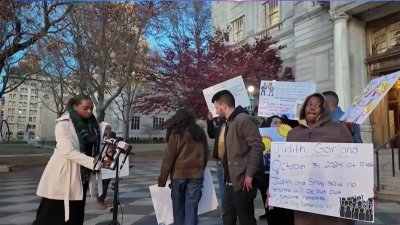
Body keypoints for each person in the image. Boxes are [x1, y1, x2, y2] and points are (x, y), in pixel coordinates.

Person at [32, 95, 108, 225]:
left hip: (81, 175)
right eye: (85, 108)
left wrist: (105, 156)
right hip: (63, 174)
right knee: (51, 212)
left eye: (91, 108)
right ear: (75, 106)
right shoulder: (63, 125)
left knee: (76, 213)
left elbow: (96, 148)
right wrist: (95, 163)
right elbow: (69, 151)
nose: (89, 111)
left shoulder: (93, 126)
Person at [285, 93, 354, 225]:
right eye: (310, 104)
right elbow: (286, 166)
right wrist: (274, 188)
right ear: (304, 107)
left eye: (318, 105)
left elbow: (354, 162)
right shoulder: (293, 134)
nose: (313, 108)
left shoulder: (338, 129)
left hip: (333, 196)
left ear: (324, 110)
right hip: (304, 200)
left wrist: (366, 188)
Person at [211, 90, 264, 225]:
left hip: (243, 181)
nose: (216, 112)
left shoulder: (242, 119)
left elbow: (257, 146)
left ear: (223, 106)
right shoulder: (228, 122)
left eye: (217, 107)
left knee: (246, 219)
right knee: (228, 218)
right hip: (230, 181)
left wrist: (249, 174)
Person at [158, 108, 209, 225]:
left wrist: (162, 179)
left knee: (178, 209)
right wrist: (200, 168)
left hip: (178, 175)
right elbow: (205, 154)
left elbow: (168, 158)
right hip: (196, 175)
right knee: (192, 209)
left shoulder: (176, 134)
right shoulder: (200, 133)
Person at [206, 112, 226, 211]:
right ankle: (225, 212)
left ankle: (234, 212)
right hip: (220, 160)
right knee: (223, 188)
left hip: (232, 161)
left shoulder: (234, 121)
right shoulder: (218, 122)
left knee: (232, 189)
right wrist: (210, 122)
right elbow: (211, 134)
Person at [96, 124, 113, 210]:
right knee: (102, 184)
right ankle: (100, 201)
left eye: (109, 128)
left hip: (108, 164)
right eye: (106, 128)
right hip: (101, 164)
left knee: (106, 183)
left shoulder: (109, 140)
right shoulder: (99, 140)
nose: (108, 130)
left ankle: (102, 200)